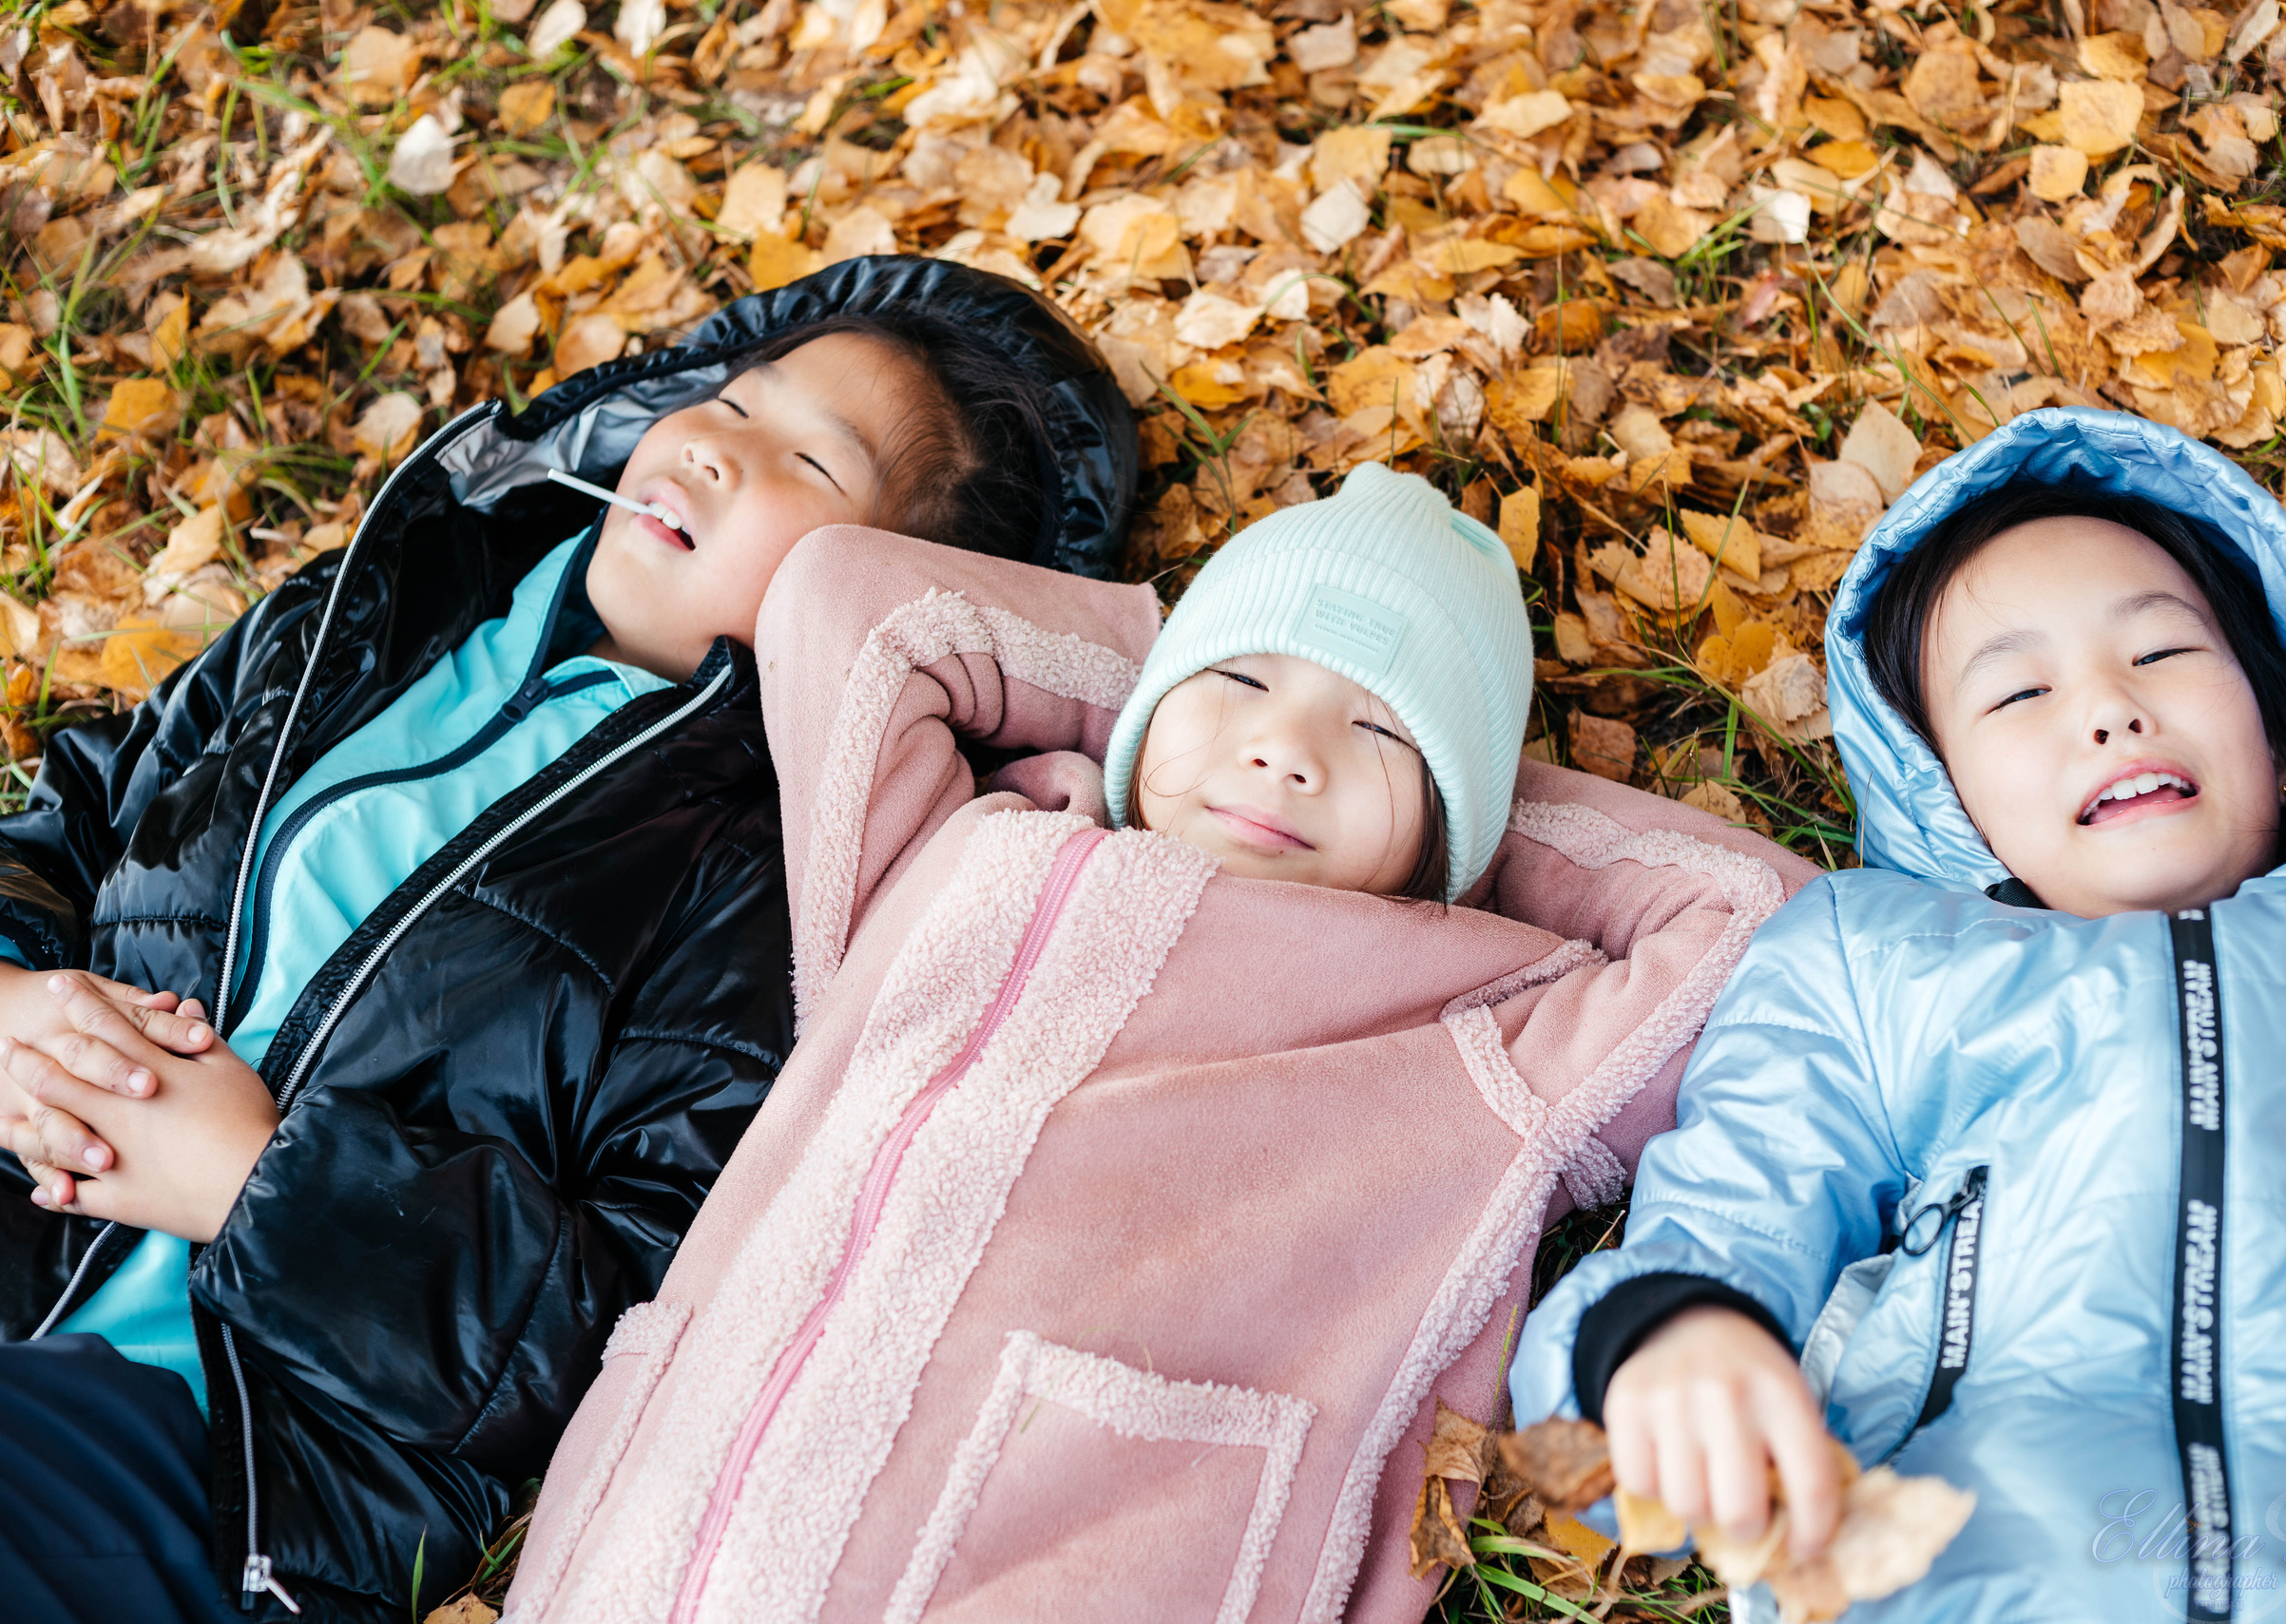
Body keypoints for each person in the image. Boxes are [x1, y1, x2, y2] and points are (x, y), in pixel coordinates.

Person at [0, 256, 1137, 1624]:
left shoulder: (770, 886)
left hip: (221, 1438)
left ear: (886, 593)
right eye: (729, 398)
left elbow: (621, 1340)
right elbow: (75, 814)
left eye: (806, 462)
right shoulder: (397, 595)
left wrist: (264, 1189)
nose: (715, 445)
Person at [505, 462, 1815, 1624]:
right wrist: (1173, 680)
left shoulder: (1487, 1037)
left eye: (1375, 738)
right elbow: (853, 600)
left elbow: (1756, 922)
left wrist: (1466, 834)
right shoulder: (945, 859)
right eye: (1240, 684)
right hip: (667, 1530)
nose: (1284, 749)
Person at [1510, 407, 2286, 1623]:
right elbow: (1743, 1190)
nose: (2108, 709)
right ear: (1950, 806)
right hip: (1984, 1572)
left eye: (2162, 655)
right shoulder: (1875, 959)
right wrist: (1665, 1337)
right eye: (2018, 695)